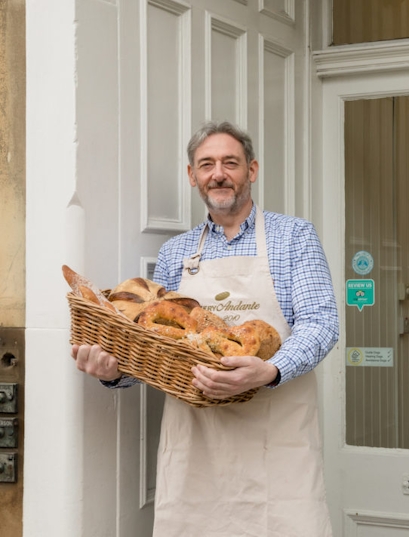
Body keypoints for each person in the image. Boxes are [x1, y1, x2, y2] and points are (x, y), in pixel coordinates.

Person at [70, 120, 339, 536]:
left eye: (230, 162)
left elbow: (321, 323)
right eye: (207, 164)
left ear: (252, 170)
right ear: (192, 176)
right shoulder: (176, 252)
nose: (218, 173)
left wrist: (269, 370)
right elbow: (157, 346)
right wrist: (116, 372)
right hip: (196, 450)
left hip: (276, 444)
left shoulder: (293, 237)